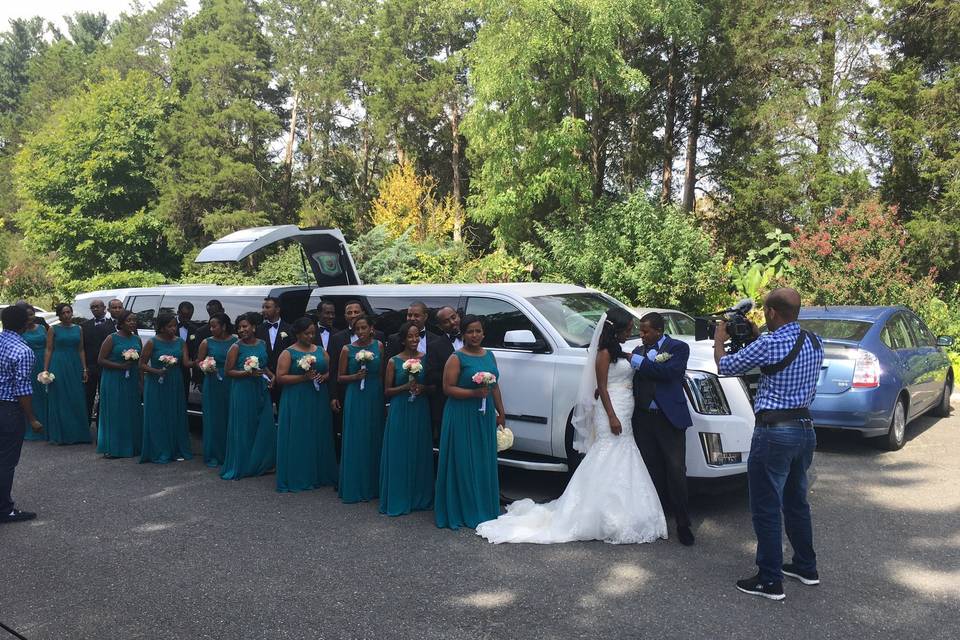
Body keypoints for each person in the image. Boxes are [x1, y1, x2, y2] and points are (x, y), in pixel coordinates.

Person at [477, 308, 667, 544]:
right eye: (627, 329)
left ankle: (623, 509)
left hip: (625, 405)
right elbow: (603, 387)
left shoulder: (621, 352)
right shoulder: (604, 353)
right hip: (612, 409)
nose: (631, 333)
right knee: (609, 451)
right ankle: (597, 511)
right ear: (615, 329)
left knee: (625, 450)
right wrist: (611, 416)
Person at [715, 288, 822, 601]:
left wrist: (720, 339)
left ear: (773, 312)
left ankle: (769, 579)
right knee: (796, 502)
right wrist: (754, 333)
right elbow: (776, 354)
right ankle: (805, 566)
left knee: (766, 507)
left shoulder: (770, 342)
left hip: (774, 432)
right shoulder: (814, 341)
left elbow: (726, 366)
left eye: (764, 312)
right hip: (804, 429)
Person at [628, 311, 695, 546]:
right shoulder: (638, 351)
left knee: (676, 469)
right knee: (651, 468)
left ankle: (683, 523)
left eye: (646, 331)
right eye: (640, 330)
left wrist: (639, 362)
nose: (641, 335)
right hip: (645, 417)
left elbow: (669, 373)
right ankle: (656, 519)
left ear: (658, 330)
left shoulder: (678, 348)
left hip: (670, 417)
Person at [434, 316, 505, 530]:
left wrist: (501, 411)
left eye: (478, 331)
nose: (474, 335)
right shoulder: (456, 358)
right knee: (464, 460)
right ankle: (463, 507)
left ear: (483, 333)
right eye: (470, 331)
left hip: (483, 417)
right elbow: (448, 389)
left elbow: (495, 386)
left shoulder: (490, 355)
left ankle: (484, 505)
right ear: (463, 334)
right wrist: (474, 393)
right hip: (461, 414)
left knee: (483, 459)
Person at [275, 317, 337, 493]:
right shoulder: (288, 353)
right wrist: (303, 378)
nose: (311, 336)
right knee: (300, 433)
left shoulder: (320, 350)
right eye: (307, 333)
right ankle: (300, 474)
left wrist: (323, 377)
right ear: (298, 333)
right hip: (297, 398)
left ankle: (321, 473)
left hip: (318, 397)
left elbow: (328, 371)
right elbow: (281, 377)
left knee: (319, 432)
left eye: (312, 333)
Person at [379, 321, 434, 516]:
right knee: (400, 450)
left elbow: (433, 386)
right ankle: (399, 496)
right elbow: (387, 390)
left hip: (420, 408)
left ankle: (420, 496)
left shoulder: (426, 358)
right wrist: (404, 388)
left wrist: (423, 388)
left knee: (419, 449)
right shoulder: (394, 361)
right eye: (410, 336)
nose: (414, 339)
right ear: (402, 340)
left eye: (417, 335)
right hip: (400, 408)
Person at [0, 305, 43, 524]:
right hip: (8, 409)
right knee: (6, 461)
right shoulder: (23, 351)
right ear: (24, 323)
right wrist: (32, 418)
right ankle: (4, 509)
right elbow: (22, 389)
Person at [221, 313, 276, 480]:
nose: (242, 330)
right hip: (243, 390)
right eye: (239, 327)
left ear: (253, 327)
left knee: (264, 425)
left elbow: (264, 366)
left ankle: (261, 463)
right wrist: (246, 373)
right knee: (245, 426)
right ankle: (243, 464)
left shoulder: (262, 343)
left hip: (260, 388)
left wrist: (272, 376)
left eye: (245, 326)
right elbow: (228, 371)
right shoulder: (236, 347)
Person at [326, 300, 385, 456]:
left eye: (356, 312)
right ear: (345, 316)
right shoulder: (338, 339)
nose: (360, 331)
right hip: (352, 393)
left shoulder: (379, 342)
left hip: (374, 392)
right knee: (355, 431)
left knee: (374, 429)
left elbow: (382, 370)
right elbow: (334, 372)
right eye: (349, 312)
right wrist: (333, 396)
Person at [337, 315, 384, 503]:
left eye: (364, 328)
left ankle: (374, 484)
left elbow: (381, 374)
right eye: (358, 329)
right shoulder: (347, 349)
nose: (361, 332)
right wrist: (355, 376)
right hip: (355, 394)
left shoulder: (379, 346)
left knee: (374, 435)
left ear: (371, 328)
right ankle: (354, 484)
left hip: (374, 393)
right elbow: (340, 377)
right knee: (356, 437)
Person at [139, 313, 192, 463]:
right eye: (170, 326)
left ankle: (175, 448)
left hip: (174, 381)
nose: (173, 328)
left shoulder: (181, 342)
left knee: (174, 413)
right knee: (157, 414)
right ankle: (158, 449)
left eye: (175, 325)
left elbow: (186, 363)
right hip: (156, 382)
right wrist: (157, 371)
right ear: (161, 328)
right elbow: (141, 364)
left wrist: (203, 362)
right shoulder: (152, 342)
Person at [96, 310, 143, 459]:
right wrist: (120, 366)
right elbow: (101, 360)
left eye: (134, 320)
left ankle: (133, 445)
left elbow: (140, 361)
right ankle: (113, 447)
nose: (132, 323)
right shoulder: (112, 338)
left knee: (131, 411)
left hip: (131, 378)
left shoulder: (137, 339)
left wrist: (141, 381)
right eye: (129, 320)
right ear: (121, 323)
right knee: (115, 411)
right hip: (113, 379)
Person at [44, 303, 91, 445]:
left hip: (75, 365)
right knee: (61, 398)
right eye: (63, 313)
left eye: (68, 312)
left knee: (76, 397)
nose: (66, 315)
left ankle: (79, 433)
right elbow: (49, 349)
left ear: (72, 313)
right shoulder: (53, 329)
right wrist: (46, 370)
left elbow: (81, 349)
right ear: (59, 315)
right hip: (58, 364)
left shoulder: (79, 328)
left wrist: (84, 368)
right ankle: (61, 434)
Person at [195, 313, 237, 467]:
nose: (211, 329)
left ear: (224, 326)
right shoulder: (206, 342)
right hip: (213, 382)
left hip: (231, 381)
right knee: (214, 417)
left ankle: (231, 452)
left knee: (230, 415)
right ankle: (214, 453)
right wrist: (206, 366)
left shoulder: (235, 341)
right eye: (210, 326)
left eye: (214, 326)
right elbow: (198, 362)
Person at [426, 306, 462, 442]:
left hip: (474, 403)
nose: (452, 322)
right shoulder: (435, 346)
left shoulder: (473, 337)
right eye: (446, 321)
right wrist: (455, 376)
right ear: (440, 326)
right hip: (446, 404)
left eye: (453, 317)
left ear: (458, 316)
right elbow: (430, 375)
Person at [81, 299, 116, 425]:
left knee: (104, 396)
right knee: (88, 396)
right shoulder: (84, 326)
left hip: (106, 366)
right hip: (90, 366)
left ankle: (101, 424)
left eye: (98, 306)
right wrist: (84, 367)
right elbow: (82, 348)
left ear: (104, 308)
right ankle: (85, 424)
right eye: (93, 307)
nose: (95, 309)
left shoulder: (112, 325)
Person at [255, 296, 294, 406]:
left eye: (267, 307)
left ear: (277, 309)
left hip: (284, 379)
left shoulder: (289, 329)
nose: (264, 310)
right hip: (263, 377)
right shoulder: (258, 330)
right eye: (263, 307)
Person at [18, 304, 48, 441]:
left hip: (44, 362)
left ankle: (48, 425)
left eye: (31, 314)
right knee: (32, 396)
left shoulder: (42, 328)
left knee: (46, 394)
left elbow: (50, 346)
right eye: (27, 315)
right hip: (29, 365)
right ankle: (33, 425)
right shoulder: (20, 332)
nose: (30, 318)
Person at [176, 301, 201, 401]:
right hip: (169, 367)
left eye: (189, 316)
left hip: (185, 369)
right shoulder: (169, 326)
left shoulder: (194, 329)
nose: (187, 319)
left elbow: (196, 353)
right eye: (184, 315)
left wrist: (196, 375)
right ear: (178, 312)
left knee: (183, 397)